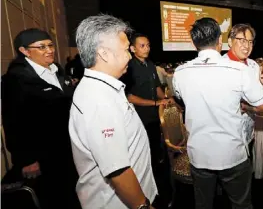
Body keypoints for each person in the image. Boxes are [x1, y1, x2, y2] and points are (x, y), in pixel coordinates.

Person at [172, 17, 263, 209]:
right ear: (221, 42)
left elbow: (180, 101)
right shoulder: (238, 71)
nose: (246, 45)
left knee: (204, 204)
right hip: (232, 153)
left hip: (199, 154)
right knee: (241, 204)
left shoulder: (180, 72)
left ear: (194, 43)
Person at [69, 14, 157, 209]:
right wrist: (142, 206)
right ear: (104, 54)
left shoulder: (104, 89)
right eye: (126, 50)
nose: (129, 56)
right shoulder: (99, 99)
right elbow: (117, 171)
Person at [1, 28, 79, 208]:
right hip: (43, 155)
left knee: (70, 194)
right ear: (24, 51)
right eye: (42, 47)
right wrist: (26, 160)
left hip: (66, 148)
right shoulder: (16, 79)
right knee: (53, 198)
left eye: (50, 45)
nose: (49, 50)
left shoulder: (56, 70)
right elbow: (13, 122)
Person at [120, 33, 173, 208]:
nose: (147, 48)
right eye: (142, 46)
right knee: (142, 157)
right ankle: (141, 194)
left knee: (156, 155)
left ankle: (156, 189)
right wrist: (156, 102)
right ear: (133, 48)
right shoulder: (128, 67)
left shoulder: (150, 65)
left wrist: (166, 98)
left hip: (154, 117)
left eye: (148, 45)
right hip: (138, 118)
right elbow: (129, 96)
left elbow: (157, 88)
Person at [223, 23, 263, 161]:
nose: (247, 46)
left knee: (246, 170)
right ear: (229, 41)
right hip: (227, 133)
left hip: (249, 129)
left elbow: (262, 102)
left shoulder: (253, 66)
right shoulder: (221, 66)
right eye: (242, 40)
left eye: (250, 42)